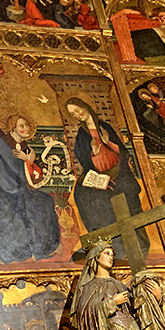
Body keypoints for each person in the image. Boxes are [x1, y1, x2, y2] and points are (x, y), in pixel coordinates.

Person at [65, 97, 145, 257]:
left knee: (118, 193)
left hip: (119, 172)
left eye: (77, 109)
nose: (77, 115)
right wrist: (94, 153)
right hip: (98, 173)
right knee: (82, 194)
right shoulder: (82, 135)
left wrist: (108, 143)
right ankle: (101, 241)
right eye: (73, 114)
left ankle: (125, 245)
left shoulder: (105, 127)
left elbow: (123, 153)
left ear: (85, 105)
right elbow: (82, 159)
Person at [0, 115, 61, 263]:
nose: (26, 129)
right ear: (13, 127)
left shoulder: (25, 148)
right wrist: (25, 163)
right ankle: (28, 249)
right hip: (2, 191)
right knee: (28, 206)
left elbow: (33, 176)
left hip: (20, 189)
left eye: (27, 125)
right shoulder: (2, 144)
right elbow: (4, 172)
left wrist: (28, 161)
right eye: (21, 126)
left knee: (46, 200)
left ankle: (44, 247)